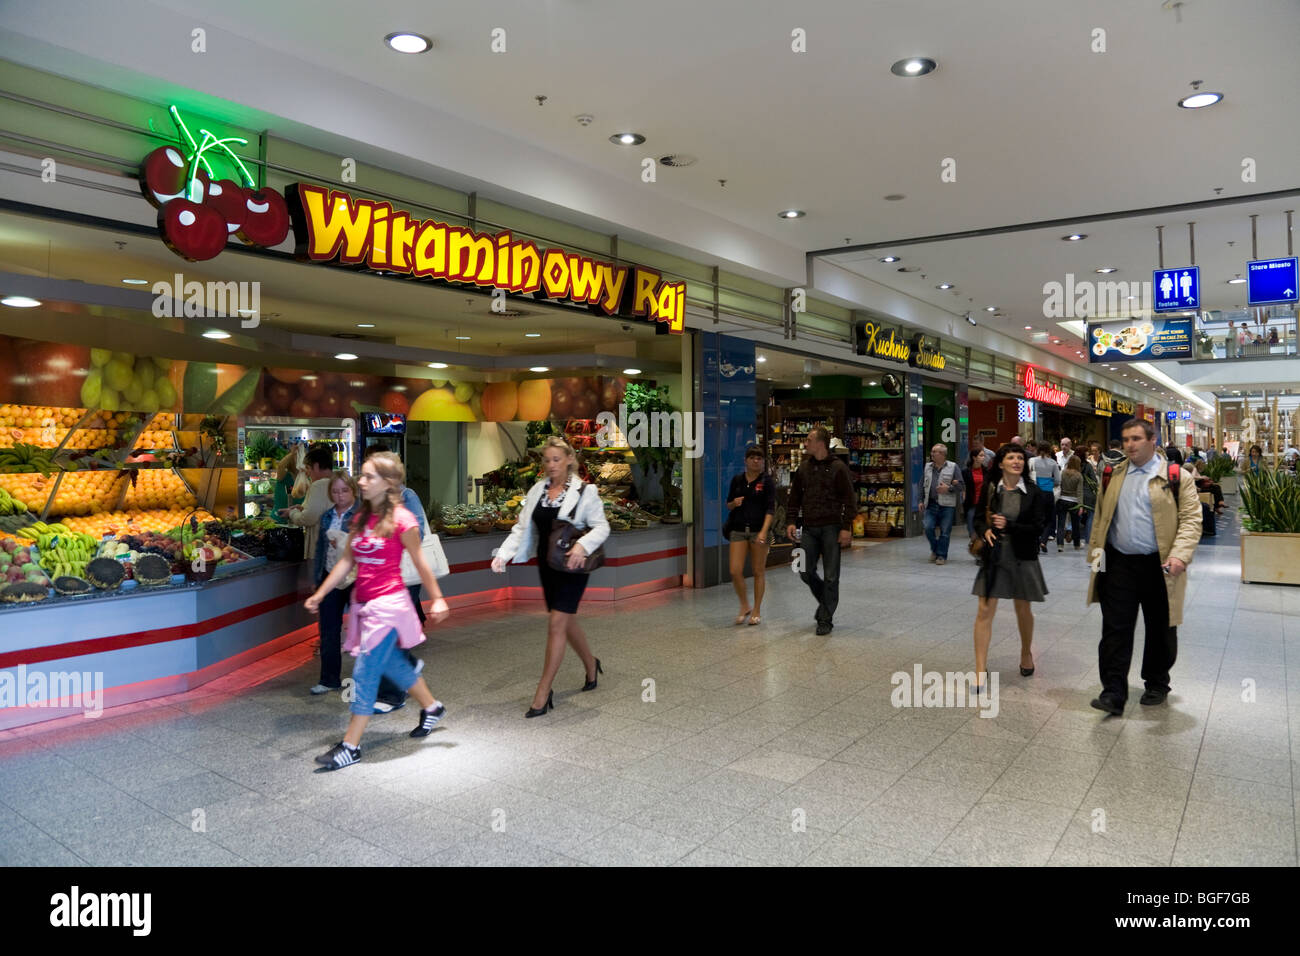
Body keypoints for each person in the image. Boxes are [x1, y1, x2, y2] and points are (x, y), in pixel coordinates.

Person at [304, 452, 450, 770]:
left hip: (390, 606)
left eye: (369, 476)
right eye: (362, 475)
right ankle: (432, 707)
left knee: (365, 671)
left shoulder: (403, 520)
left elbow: (420, 562)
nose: (361, 481)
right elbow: (346, 561)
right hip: (364, 605)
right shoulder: (361, 518)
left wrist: (437, 597)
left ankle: (350, 746)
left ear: (388, 483)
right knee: (395, 665)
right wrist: (321, 592)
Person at [1087, 418, 1201, 716]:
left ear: (1153, 440)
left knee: (1161, 627)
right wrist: (1095, 559)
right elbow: (1101, 516)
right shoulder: (1113, 474)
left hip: (1160, 564)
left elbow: (1191, 519)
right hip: (1119, 563)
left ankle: (1156, 682)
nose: (1130, 445)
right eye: (1125, 440)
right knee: (1115, 628)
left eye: (1136, 438)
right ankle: (1113, 691)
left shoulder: (1176, 476)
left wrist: (1179, 554)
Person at [492, 436, 610, 717]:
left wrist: (582, 545)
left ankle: (543, 692)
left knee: (557, 623)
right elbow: (522, 529)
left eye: (556, 459)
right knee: (565, 621)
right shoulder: (536, 491)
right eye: (547, 460)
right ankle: (591, 664)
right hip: (547, 564)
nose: (551, 465)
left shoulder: (585, 491)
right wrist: (503, 554)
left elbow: (601, 527)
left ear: (569, 459)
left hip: (572, 563)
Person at [971, 443, 1050, 691]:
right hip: (994, 557)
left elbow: (1039, 528)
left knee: (1022, 609)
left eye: (1020, 457)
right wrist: (985, 531)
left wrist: (1009, 526)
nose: (1016, 461)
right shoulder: (991, 489)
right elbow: (976, 518)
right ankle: (979, 670)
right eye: (1011, 457)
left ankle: (1026, 652)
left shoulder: (1033, 493)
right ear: (1002, 463)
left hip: (1023, 556)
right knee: (984, 610)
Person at [360, 446, 432, 713]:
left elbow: (417, 534)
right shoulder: (370, 501)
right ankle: (416, 691)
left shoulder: (406, 497)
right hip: (379, 584)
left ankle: (392, 694)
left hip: (401, 578)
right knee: (387, 639)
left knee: (387, 639)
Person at [785, 426, 856, 635]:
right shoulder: (804, 468)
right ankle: (825, 602)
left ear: (820, 443)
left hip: (832, 528)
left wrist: (846, 527)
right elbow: (795, 497)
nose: (805, 443)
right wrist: (790, 521)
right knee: (804, 570)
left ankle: (825, 618)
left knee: (832, 575)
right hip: (809, 528)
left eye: (808, 440)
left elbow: (850, 500)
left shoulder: (838, 468)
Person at [310, 471, 359, 695]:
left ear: (353, 491)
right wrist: (317, 580)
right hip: (330, 576)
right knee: (328, 629)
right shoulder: (327, 516)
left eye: (344, 490)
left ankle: (369, 679)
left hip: (356, 579)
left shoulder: (362, 515)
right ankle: (329, 679)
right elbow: (319, 549)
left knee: (364, 629)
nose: (339, 496)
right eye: (335, 491)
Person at [725, 445, 775, 625]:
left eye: (759, 458)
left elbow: (771, 509)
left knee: (758, 571)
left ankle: (756, 609)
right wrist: (734, 503)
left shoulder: (767, 481)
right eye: (753, 457)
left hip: (757, 530)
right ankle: (744, 604)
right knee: (735, 570)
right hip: (738, 529)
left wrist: (764, 531)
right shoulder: (737, 480)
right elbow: (728, 504)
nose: (756, 461)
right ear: (745, 460)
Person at [283, 444, 336, 560]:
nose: (306, 473)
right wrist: (303, 508)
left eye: (307, 468)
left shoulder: (319, 485)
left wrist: (291, 513)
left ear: (316, 466)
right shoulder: (340, 481)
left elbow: (308, 518)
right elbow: (323, 509)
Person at [919, 443, 962, 565]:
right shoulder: (927, 467)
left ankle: (941, 556)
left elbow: (961, 486)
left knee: (945, 531)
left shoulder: (953, 467)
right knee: (928, 527)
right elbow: (921, 484)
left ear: (942, 454)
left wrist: (948, 488)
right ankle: (936, 549)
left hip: (947, 506)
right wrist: (920, 500)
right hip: (931, 503)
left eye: (934, 452)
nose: (931, 454)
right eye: (932, 451)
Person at [1028, 444, 1061, 552]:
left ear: (1038, 449)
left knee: (1035, 518)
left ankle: (1036, 542)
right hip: (1048, 493)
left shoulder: (1032, 461)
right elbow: (1057, 480)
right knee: (1048, 519)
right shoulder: (1053, 463)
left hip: (1035, 493)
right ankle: (1043, 540)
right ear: (1049, 451)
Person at [962, 438, 994, 542]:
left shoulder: (986, 471)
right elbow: (963, 485)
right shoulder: (966, 472)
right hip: (971, 502)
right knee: (971, 525)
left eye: (983, 455)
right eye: (981, 456)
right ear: (974, 458)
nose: (983, 458)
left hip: (983, 502)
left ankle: (981, 546)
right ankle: (975, 542)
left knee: (983, 525)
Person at [1057, 455, 1085, 552]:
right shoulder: (1079, 475)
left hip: (1062, 500)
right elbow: (1080, 492)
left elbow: (1058, 485)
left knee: (1060, 524)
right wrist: (1081, 505)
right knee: (1075, 524)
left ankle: (1060, 545)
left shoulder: (1063, 473)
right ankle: (1076, 544)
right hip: (1074, 502)